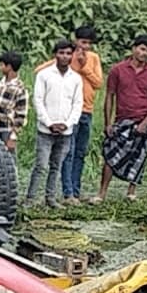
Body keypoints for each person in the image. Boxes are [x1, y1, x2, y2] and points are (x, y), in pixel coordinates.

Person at [99, 35, 147, 201]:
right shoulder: (117, 70)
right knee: (110, 155)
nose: (144, 53)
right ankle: (102, 193)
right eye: (142, 49)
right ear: (134, 48)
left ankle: (131, 192)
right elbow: (109, 96)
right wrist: (108, 123)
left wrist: (145, 123)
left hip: (143, 119)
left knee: (139, 156)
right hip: (122, 119)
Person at [44, 26, 102, 203]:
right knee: (68, 152)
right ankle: (67, 192)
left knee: (80, 152)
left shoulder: (93, 58)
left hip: (87, 110)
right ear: (76, 40)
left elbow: (98, 83)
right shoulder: (67, 57)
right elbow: (43, 70)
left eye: (88, 44)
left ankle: (75, 191)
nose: (85, 47)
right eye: (82, 42)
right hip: (69, 112)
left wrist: (85, 67)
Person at [28, 41, 82, 207]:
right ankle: (30, 199)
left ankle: (50, 199)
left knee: (56, 166)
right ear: (55, 54)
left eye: (68, 53)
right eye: (61, 53)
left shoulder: (76, 78)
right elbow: (38, 100)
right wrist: (49, 123)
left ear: (72, 55)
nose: (64, 57)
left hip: (65, 131)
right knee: (41, 165)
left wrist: (67, 124)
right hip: (46, 129)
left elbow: (77, 104)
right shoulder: (44, 75)